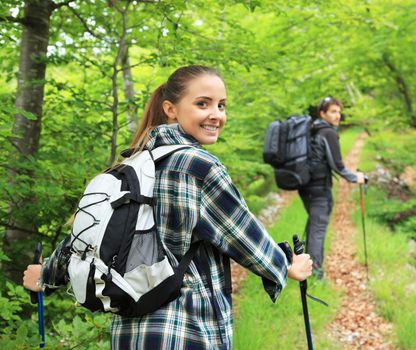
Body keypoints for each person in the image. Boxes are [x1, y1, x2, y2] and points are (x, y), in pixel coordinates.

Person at [23, 65, 313, 349]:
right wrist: (288, 264)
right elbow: (247, 239)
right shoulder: (199, 167)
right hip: (187, 329)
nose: (216, 115)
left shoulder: (132, 165)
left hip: (130, 334)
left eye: (222, 106)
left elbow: (87, 235)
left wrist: (46, 275)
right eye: (203, 104)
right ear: (170, 109)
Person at [299, 96, 365, 279]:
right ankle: (316, 274)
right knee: (317, 232)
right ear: (323, 113)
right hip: (320, 190)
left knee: (313, 226)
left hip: (304, 187)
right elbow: (338, 166)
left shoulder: (311, 130)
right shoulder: (327, 133)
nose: (338, 115)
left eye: (339, 111)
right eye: (333, 112)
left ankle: (304, 267)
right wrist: (357, 178)